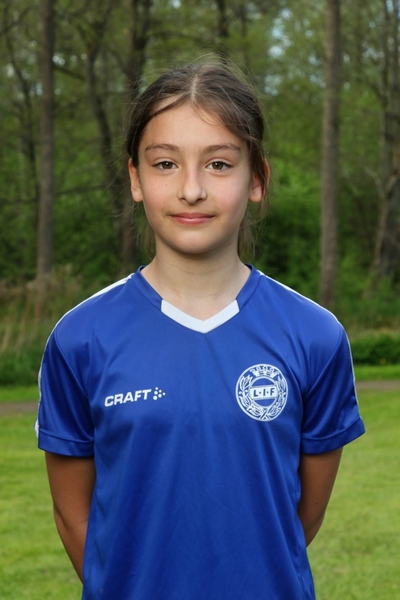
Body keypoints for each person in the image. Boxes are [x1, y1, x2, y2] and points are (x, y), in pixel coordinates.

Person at [36, 59, 365, 600]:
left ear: (256, 179)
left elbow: (300, 518)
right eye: (165, 164)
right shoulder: (80, 338)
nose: (191, 189)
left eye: (218, 164)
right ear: (136, 179)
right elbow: (75, 518)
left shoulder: (315, 336)